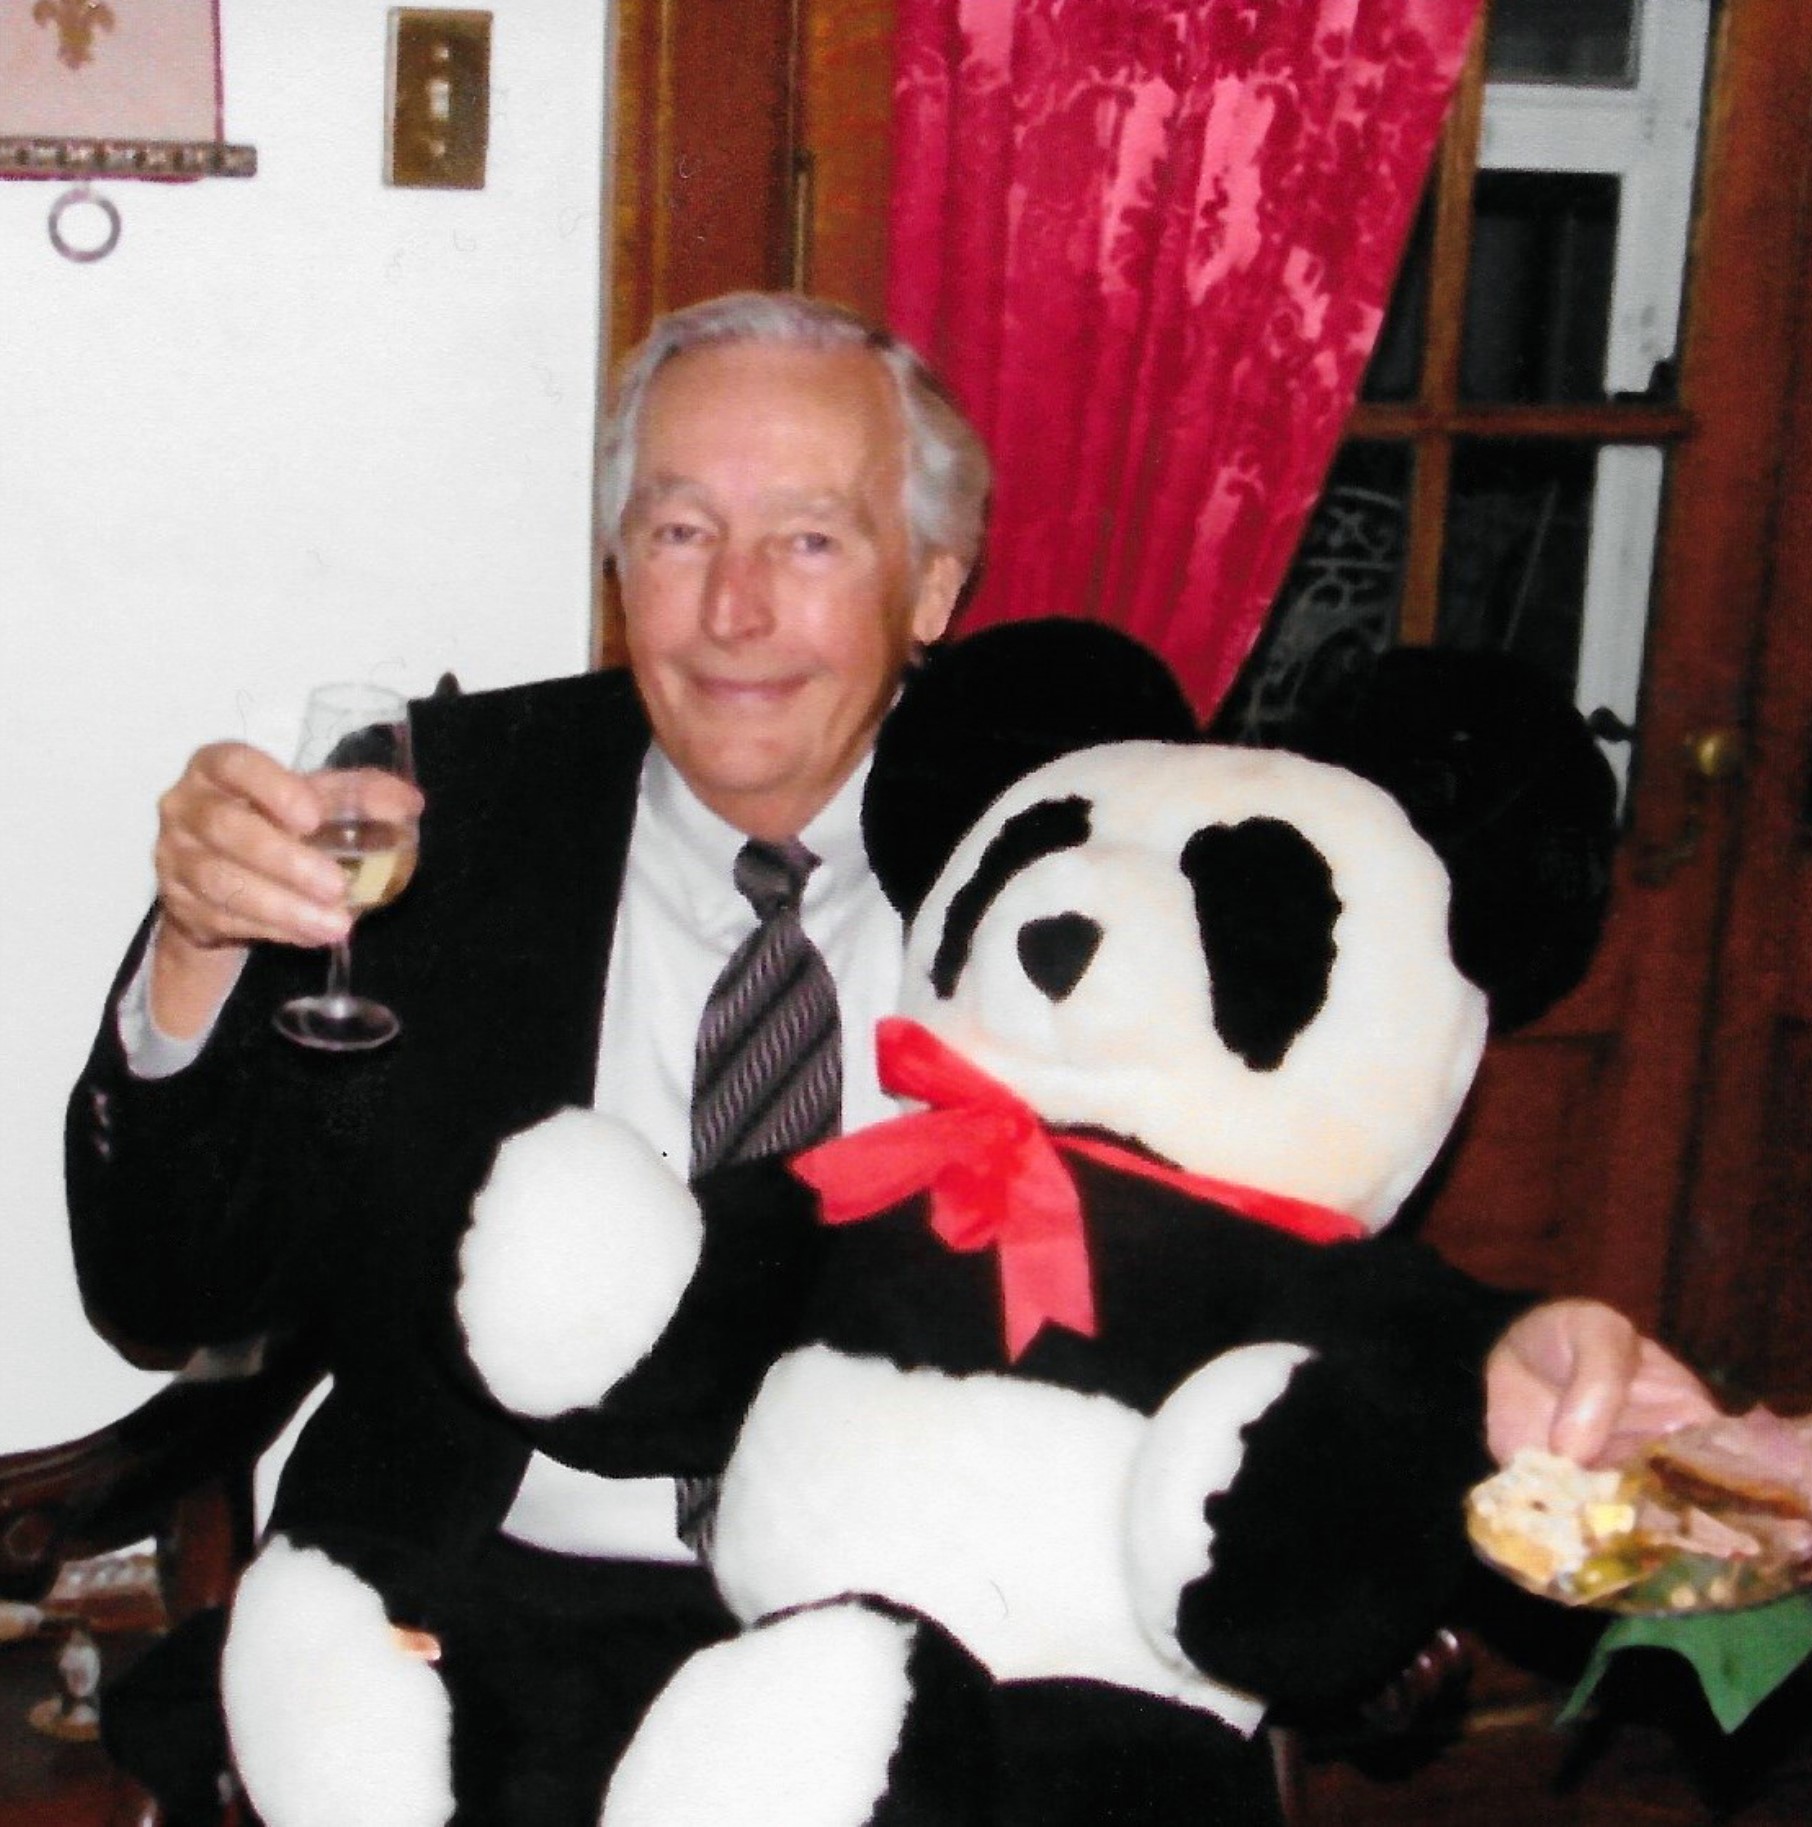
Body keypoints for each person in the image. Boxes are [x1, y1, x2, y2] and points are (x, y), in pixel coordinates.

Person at [66, 292, 1712, 1820]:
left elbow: (1264, 1241)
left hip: (948, 1659)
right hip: (478, 1619)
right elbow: (166, 1284)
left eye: (810, 538)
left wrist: (1504, 1353)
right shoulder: (444, 818)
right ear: (620, 561)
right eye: (680, 532)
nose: (733, 610)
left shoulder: (1083, 852)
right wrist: (199, 952)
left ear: (931, 586)